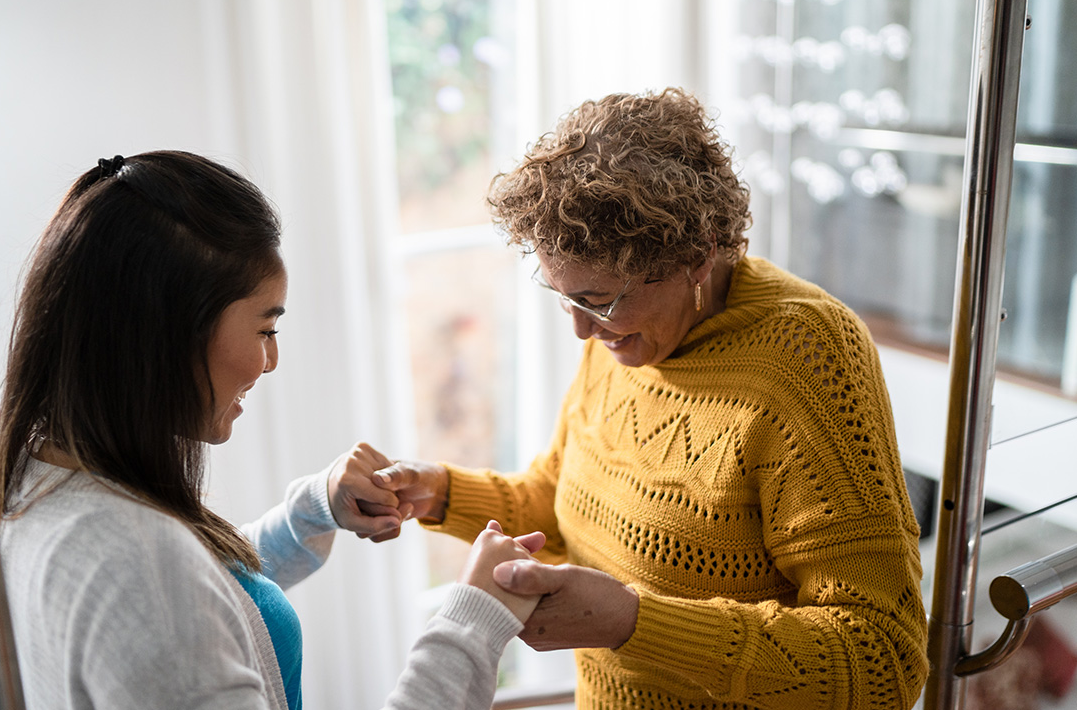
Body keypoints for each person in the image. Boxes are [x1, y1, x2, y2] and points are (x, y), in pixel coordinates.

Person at [355, 89, 930, 709]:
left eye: (598, 300)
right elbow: (560, 499)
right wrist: (439, 492)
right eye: (563, 296)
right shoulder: (623, 336)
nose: (580, 329)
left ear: (697, 256)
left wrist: (632, 622)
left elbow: (883, 660)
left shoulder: (809, 356)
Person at [0, 150, 543, 710]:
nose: (269, 361)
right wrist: (473, 624)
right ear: (172, 335)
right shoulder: (144, 568)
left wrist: (310, 512)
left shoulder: (38, 480)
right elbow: (170, 598)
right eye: (264, 328)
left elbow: (204, 607)